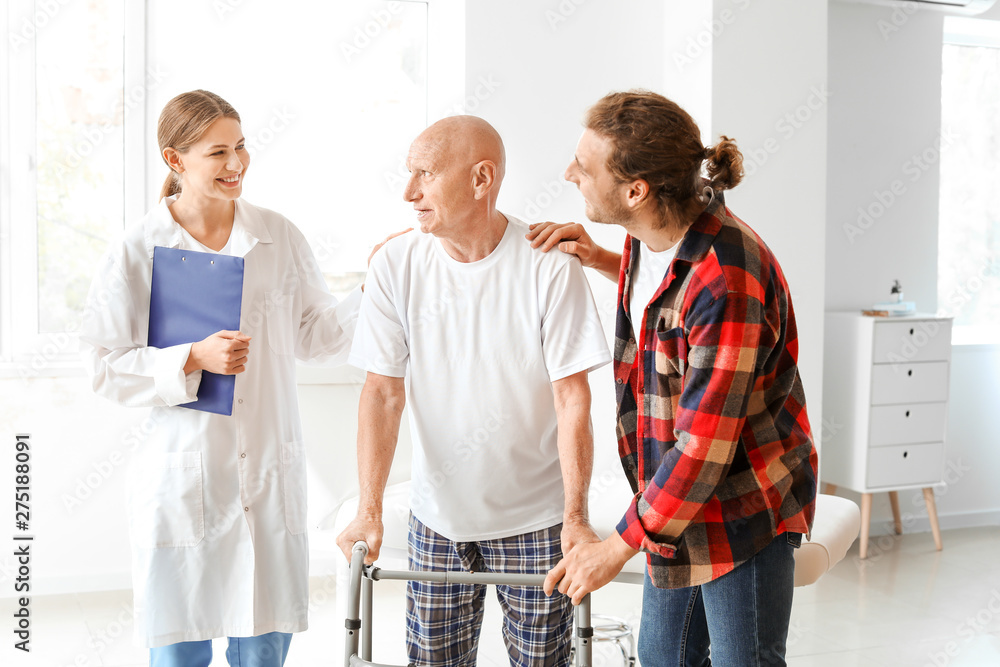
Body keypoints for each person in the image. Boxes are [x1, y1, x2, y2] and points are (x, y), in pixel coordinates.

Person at [79, 90, 377, 666]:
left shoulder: (278, 235)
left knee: (263, 647)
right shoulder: (138, 249)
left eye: (241, 147)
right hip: (183, 477)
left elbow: (315, 337)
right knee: (179, 650)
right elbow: (102, 364)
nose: (236, 164)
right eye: (218, 152)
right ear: (175, 161)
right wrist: (190, 357)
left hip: (266, 472)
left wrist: (373, 290)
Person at [533, 90, 818, 667]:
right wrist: (603, 260)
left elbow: (704, 449)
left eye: (584, 168)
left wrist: (614, 547)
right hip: (671, 507)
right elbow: (672, 305)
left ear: (636, 190)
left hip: (741, 510)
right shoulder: (654, 233)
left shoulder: (729, 280)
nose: (569, 173)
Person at [335, 115, 611, 666]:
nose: (408, 192)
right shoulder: (395, 263)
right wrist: (369, 509)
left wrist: (576, 517)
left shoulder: (548, 265)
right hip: (436, 521)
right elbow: (382, 394)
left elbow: (572, 398)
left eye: (425, 175)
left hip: (536, 522)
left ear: (481, 179)